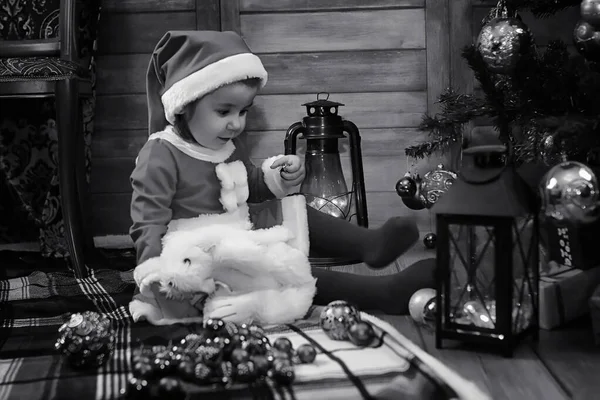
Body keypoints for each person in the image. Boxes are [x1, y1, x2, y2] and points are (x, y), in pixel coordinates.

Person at [130, 30, 435, 319]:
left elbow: (245, 184)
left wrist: (274, 178)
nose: (236, 123)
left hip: (237, 234)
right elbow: (148, 220)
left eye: (243, 111)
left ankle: (369, 244)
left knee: (293, 207)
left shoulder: (223, 143)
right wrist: (157, 275)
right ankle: (384, 292)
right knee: (286, 271)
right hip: (198, 258)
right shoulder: (161, 152)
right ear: (184, 106)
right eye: (224, 112)